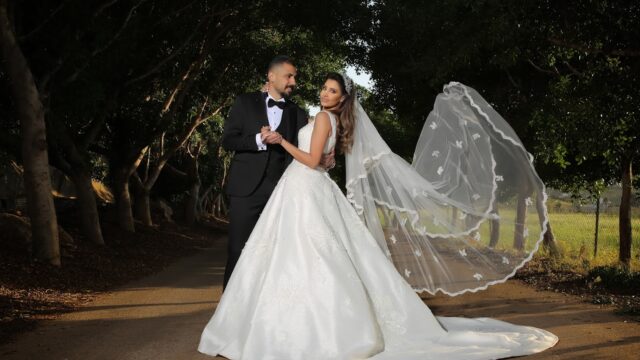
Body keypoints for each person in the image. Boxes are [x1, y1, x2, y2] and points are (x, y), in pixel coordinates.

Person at [199, 72, 558, 359]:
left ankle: (301, 329)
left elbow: (309, 160)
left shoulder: (324, 118)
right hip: (305, 188)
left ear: (342, 99)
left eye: (332, 90)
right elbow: (322, 155)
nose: (324, 94)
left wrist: (281, 142)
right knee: (302, 254)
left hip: (304, 186)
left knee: (306, 254)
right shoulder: (326, 119)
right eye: (324, 88)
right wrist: (319, 153)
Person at [220, 55, 333, 289]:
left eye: (294, 77)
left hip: (283, 191)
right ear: (271, 77)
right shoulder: (245, 102)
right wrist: (259, 139)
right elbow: (228, 140)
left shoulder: (299, 113)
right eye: (289, 76)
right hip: (245, 189)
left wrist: (326, 159)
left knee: (277, 254)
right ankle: (228, 312)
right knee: (237, 249)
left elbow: (306, 150)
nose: (293, 82)